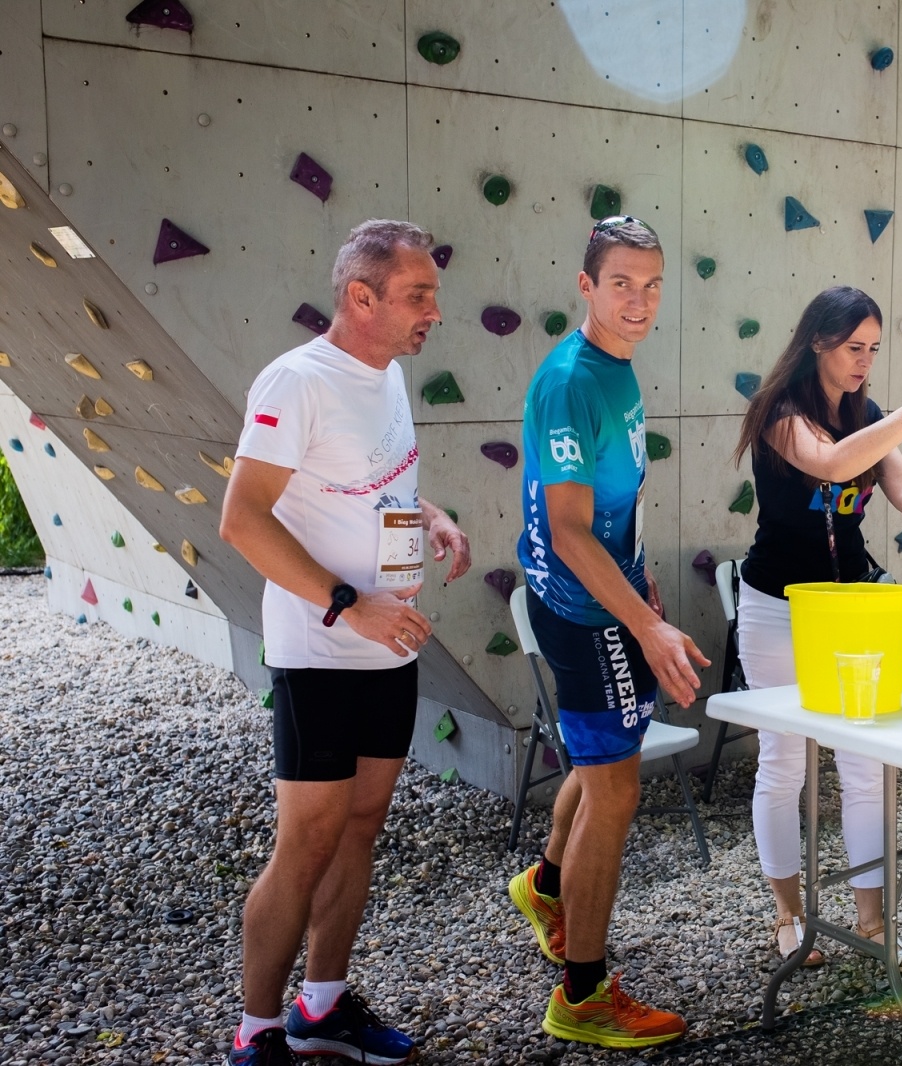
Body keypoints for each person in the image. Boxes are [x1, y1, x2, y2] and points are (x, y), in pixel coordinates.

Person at [218, 220, 471, 1066]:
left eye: (433, 293)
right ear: (361, 297)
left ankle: (321, 1008)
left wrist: (430, 514)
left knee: (360, 827)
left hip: (389, 650)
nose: (434, 310)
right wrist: (348, 604)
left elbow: (366, 482)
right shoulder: (296, 381)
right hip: (320, 652)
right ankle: (256, 1032)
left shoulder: (388, 373)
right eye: (418, 295)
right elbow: (241, 520)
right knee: (307, 844)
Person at [733, 286, 902, 969]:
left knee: (866, 764)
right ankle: (789, 916)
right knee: (784, 761)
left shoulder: (868, 414)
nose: (864, 362)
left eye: (874, 350)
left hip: (852, 608)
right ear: (817, 341)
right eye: (855, 348)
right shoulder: (778, 412)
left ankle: (872, 924)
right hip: (778, 605)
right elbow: (831, 464)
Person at [506, 216, 705, 1050]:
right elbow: (568, 532)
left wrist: (642, 576)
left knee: (602, 766)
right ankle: (582, 996)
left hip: (610, 596)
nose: (640, 300)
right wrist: (648, 625)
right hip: (582, 610)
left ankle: (548, 885)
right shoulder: (570, 383)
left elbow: (619, 505)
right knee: (616, 792)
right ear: (586, 286)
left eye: (652, 284)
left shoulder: (617, 366)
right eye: (621, 283)